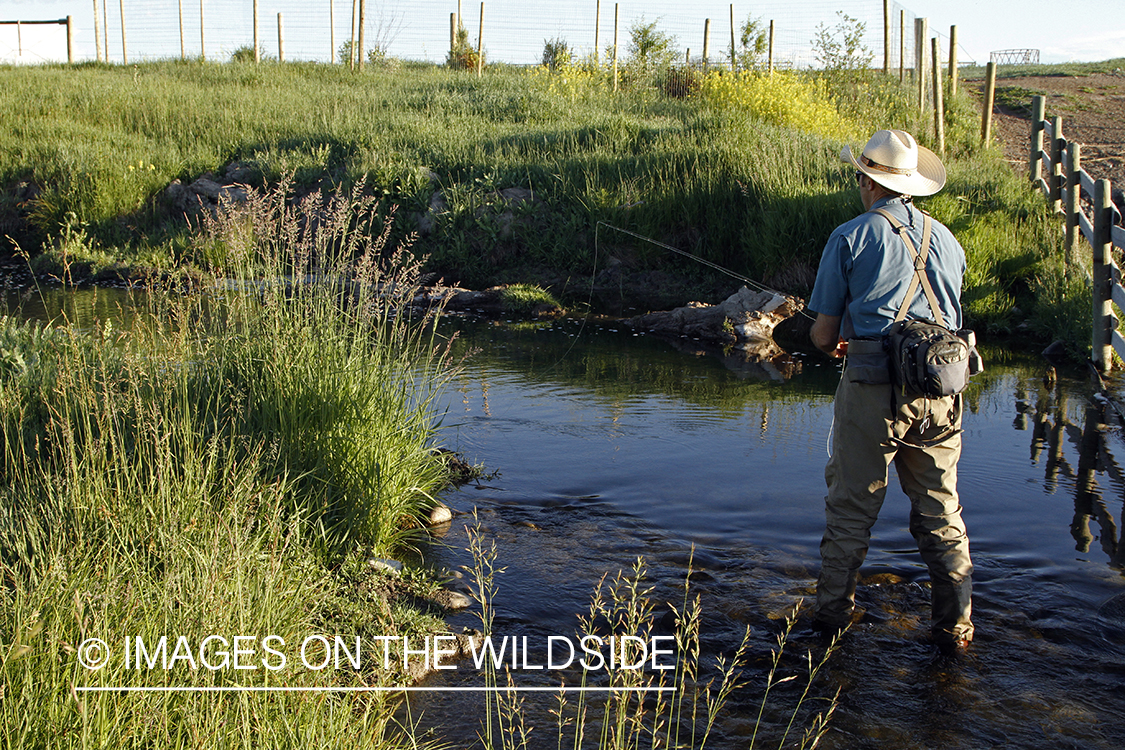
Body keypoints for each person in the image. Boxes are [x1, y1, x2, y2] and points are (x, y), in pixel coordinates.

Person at [806, 129, 974, 653]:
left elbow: (822, 335)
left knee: (852, 509)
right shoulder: (949, 241)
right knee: (941, 511)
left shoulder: (850, 236)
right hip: (943, 389)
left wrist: (840, 342)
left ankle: (832, 622)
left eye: (859, 176)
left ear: (867, 181)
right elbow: (942, 320)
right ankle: (957, 626)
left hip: (872, 390)